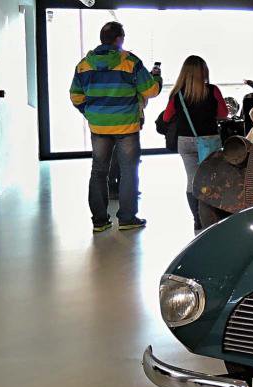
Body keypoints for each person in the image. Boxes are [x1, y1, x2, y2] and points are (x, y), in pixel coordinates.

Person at [70, 21, 161, 233]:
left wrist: (91, 113)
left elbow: (75, 97)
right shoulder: (130, 62)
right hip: (126, 127)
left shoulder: (84, 65)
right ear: (119, 39)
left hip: (99, 128)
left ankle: (100, 221)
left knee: (98, 171)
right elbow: (150, 91)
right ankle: (127, 218)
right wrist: (156, 77)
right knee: (129, 171)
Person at [161, 55, 228, 230]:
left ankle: (197, 219)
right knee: (211, 178)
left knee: (192, 180)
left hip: (185, 141)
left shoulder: (177, 94)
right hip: (209, 140)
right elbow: (223, 114)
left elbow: (167, 117)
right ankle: (212, 217)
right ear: (204, 71)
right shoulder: (212, 90)